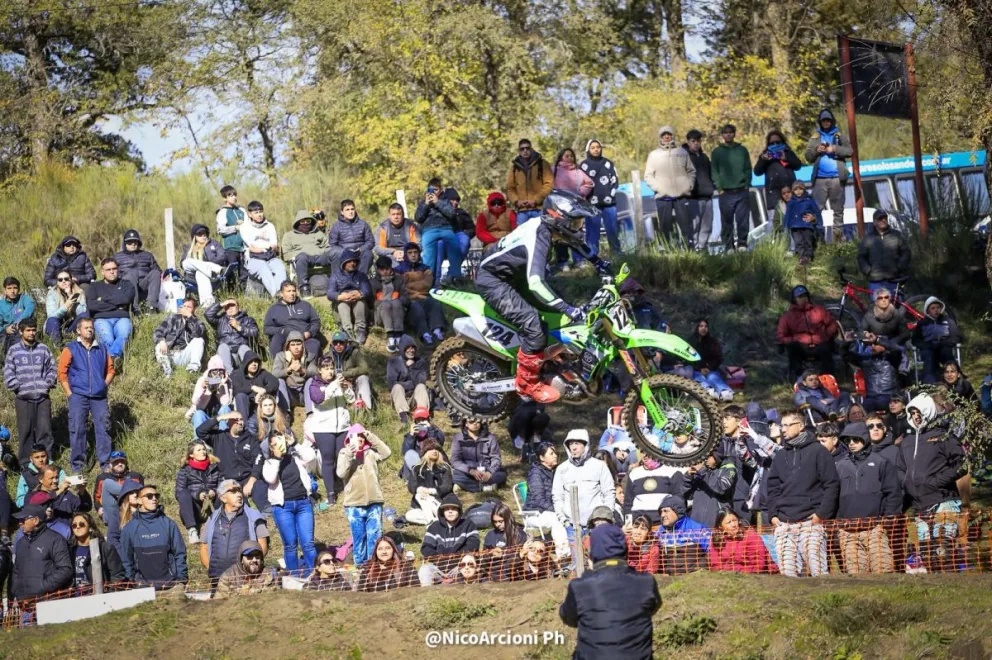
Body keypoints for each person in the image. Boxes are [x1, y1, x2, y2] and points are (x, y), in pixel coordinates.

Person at [475, 190, 605, 403]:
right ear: (558, 219)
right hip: (493, 281)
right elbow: (535, 282)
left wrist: (599, 262)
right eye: (575, 223)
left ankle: (550, 359)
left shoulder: (549, 227)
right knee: (533, 325)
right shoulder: (540, 235)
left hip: (514, 278)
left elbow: (575, 241)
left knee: (553, 312)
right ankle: (527, 385)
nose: (578, 228)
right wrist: (568, 308)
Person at [560, 523, 661, 660]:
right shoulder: (646, 582)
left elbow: (568, 618)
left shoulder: (580, 587)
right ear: (624, 547)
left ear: (594, 551)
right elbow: (654, 607)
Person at [896, 393, 967, 572]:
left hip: (944, 499)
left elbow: (962, 464)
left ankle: (952, 582)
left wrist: (937, 481)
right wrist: (907, 486)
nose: (916, 416)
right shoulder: (907, 441)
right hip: (919, 504)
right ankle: (934, 585)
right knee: (927, 550)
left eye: (918, 412)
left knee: (943, 546)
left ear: (927, 411)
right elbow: (900, 469)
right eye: (912, 413)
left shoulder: (944, 436)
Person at [765, 409, 839, 577]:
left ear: (800, 426)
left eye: (787, 425)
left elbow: (831, 484)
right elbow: (772, 488)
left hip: (810, 523)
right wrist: (773, 515)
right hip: (784, 525)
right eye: (781, 425)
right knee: (788, 577)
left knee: (819, 574)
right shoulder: (781, 455)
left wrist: (821, 514)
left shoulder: (818, 451)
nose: (783, 429)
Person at [835, 423, 900, 574]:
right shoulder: (840, 466)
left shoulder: (881, 462)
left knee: (883, 572)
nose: (851, 443)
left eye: (855, 439)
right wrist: (838, 522)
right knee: (856, 576)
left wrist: (887, 521)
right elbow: (833, 495)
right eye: (848, 440)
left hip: (876, 528)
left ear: (864, 439)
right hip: (848, 531)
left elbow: (893, 493)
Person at [57, 317, 114, 473]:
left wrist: (103, 385)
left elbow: (110, 370)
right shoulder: (70, 348)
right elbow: (62, 373)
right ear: (78, 330)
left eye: (91, 327)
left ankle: (105, 462)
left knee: (103, 427)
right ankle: (78, 465)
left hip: (99, 396)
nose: (90, 330)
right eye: (86, 327)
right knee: (77, 428)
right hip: (78, 395)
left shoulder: (101, 349)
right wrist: (69, 393)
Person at [336, 424, 390, 566]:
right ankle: (360, 566)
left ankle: (374, 565)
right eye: (355, 436)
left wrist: (371, 437)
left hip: (374, 501)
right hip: (354, 504)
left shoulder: (371, 453)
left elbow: (386, 453)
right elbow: (341, 473)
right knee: (359, 537)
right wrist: (349, 454)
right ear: (348, 439)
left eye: (361, 436)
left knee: (375, 535)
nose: (359, 439)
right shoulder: (344, 453)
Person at [263, 433, 317, 572]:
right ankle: (294, 577)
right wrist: (276, 458)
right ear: (271, 446)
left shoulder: (296, 457)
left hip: (303, 504)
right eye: (276, 443)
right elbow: (270, 478)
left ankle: (315, 575)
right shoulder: (269, 463)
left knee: (308, 543)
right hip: (283, 507)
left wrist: (295, 444)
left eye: (282, 442)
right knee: (290, 544)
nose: (280, 446)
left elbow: (311, 458)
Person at [5, 318, 57, 461]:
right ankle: (25, 465)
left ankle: (47, 464)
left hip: (42, 399)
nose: (31, 333)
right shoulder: (13, 351)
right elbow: (9, 372)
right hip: (23, 399)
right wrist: (18, 387)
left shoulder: (43, 349)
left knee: (45, 432)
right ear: (21, 332)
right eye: (28, 330)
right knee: (26, 433)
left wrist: (46, 384)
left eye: (34, 330)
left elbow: (52, 368)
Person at [306, 354, 355, 506]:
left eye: (332, 368)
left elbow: (351, 400)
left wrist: (346, 389)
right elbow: (319, 399)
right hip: (323, 429)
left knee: (343, 458)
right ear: (319, 370)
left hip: (342, 427)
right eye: (326, 368)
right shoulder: (314, 385)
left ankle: (348, 489)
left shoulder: (339, 383)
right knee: (328, 460)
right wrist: (334, 385)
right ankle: (331, 494)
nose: (330, 371)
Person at [195, 411, 268, 513]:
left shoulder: (250, 438)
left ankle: (267, 513)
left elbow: (259, 459)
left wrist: (252, 480)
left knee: (260, 486)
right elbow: (200, 431)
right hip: (227, 480)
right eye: (236, 420)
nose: (240, 422)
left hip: (247, 478)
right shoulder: (219, 437)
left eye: (241, 420)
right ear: (229, 422)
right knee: (226, 505)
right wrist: (221, 417)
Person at [200, 479, 269, 585]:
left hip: (244, 577)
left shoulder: (255, 517)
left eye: (239, 490)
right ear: (223, 498)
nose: (239, 494)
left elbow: (262, 546)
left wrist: (251, 567)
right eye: (233, 491)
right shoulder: (212, 519)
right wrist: (210, 567)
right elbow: (204, 547)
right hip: (217, 577)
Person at [120, 484, 187, 590]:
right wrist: (131, 582)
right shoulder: (129, 528)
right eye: (149, 496)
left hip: (170, 586)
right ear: (139, 501)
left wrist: (181, 579)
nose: (154, 499)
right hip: (142, 588)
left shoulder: (169, 524)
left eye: (156, 496)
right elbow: (126, 560)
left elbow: (180, 553)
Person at [552, 430, 615, 536]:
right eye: (571, 444)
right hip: (572, 527)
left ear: (585, 445)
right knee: (574, 553)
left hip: (597, 526)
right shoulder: (562, 469)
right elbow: (557, 497)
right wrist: (565, 522)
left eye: (577, 443)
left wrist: (605, 518)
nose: (573, 447)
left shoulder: (599, 466)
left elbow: (609, 493)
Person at [11, 504, 72, 612]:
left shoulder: (55, 539)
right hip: (24, 606)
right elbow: (16, 570)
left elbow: (65, 569)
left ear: (35, 520)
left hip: (47, 605)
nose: (20, 523)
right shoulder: (20, 543)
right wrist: (17, 590)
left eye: (23, 519)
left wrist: (42, 587)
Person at [805, 109, 854, 241]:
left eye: (828, 120)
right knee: (815, 210)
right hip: (820, 180)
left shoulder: (840, 135)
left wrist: (835, 149)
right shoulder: (815, 138)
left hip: (837, 179)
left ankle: (837, 244)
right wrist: (816, 150)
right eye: (823, 120)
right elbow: (808, 157)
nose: (826, 122)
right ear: (820, 122)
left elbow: (850, 151)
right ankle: (818, 242)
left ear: (832, 121)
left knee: (838, 212)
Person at [643, 125, 695, 247]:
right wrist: (660, 188)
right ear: (660, 138)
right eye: (664, 135)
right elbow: (648, 176)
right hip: (663, 197)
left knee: (685, 226)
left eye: (669, 134)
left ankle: (689, 251)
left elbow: (691, 171)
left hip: (681, 196)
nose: (666, 137)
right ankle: (666, 251)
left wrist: (688, 185)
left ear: (672, 136)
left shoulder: (682, 152)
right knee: (665, 227)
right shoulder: (654, 155)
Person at [776, 285, 838, 379]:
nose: (803, 299)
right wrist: (794, 339)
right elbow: (781, 336)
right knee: (793, 347)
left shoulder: (819, 310)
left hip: (820, 343)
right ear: (794, 299)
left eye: (805, 296)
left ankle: (828, 379)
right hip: (801, 346)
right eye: (800, 297)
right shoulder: (787, 316)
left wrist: (826, 335)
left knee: (826, 349)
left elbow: (832, 324)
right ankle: (798, 377)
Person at [522, 441, 570, 561]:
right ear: (542, 457)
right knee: (558, 520)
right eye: (551, 453)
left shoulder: (554, 471)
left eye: (555, 452)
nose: (555, 455)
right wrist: (558, 510)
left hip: (548, 510)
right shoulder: (535, 473)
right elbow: (539, 500)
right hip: (535, 512)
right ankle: (564, 556)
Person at [418, 493, 480, 586]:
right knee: (424, 570)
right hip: (438, 567)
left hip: (459, 565)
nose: (450, 511)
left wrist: (457, 558)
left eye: (454, 509)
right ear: (442, 511)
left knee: (468, 566)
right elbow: (426, 548)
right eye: (447, 509)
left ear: (459, 511)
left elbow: (473, 544)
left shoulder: (468, 525)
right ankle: (427, 594)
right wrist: (440, 558)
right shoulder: (434, 527)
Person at [710, 124, 753, 252]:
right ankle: (728, 246)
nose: (728, 134)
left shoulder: (742, 150)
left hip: (741, 190)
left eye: (730, 132)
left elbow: (748, 168)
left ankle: (742, 244)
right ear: (722, 135)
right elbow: (714, 171)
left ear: (734, 134)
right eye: (725, 132)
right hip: (725, 192)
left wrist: (747, 184)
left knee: (743, 220)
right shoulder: (717, 152)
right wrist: (719, 188)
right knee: (727, 221)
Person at [414, 179, 464, 286]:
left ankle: (455, 277)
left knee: (455, 250)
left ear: (440, 190)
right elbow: (418, 218)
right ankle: (427, 282)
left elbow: (451, 214)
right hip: (429, 230)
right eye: (430, 189)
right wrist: (426, 204)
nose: (433, 192)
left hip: (445, 228)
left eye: (435, 190)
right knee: (428, 256)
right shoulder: (423, 202)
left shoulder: (446, 201)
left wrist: (437, 202)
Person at [394, 242, 445, 345]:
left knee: (434, 303)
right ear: (405, 255)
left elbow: (427, 284)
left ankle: (437, 330)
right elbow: (401, 287)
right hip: (410, 299)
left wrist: (409, 282)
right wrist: (415, 291)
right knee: (416, 307)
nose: (413, 255)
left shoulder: (425, 268)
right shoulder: (398, 270)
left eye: (415, 252)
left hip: (424, 296)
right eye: (410, 253)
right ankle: (425, 334)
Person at [551, 148, 595, 267]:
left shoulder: (578, 172)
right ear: (561, 157)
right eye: (566, 156)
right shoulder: (554, 170)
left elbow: (590, 183)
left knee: (576, 235)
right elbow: (546, 184)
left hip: (576, 208)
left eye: (571, 156)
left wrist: (580, 191)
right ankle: (563, 261)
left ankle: (579, 260)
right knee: (560, 235)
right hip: (558, 208)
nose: (569, 158)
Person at [88, 258, 136, 360]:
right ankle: (113, 360)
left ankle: (110, 359)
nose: (112, 271)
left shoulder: (126, 284)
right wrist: (117, 304)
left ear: (118, 269)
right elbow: (91, 305)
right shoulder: (94, 286)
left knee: (123, 335)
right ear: (102, 272)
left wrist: (102, 300)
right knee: (107, 339)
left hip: (122, 318)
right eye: (108, 269)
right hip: (101, 319)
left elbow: (126, 299)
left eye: (114, 268)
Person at [579, 138, 621, 254]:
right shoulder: (583, 166)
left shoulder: (608, 163)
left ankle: (617, 254)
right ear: (588, 150)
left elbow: (615, 180)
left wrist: (610, 195)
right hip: (591, 206)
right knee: (592, 233)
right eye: (593, 148)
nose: (596, 150)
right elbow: (580, 184)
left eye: (598, 147)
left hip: (609, 204)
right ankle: (593, 257)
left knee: (612, 230)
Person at [175, 440, 220, 545]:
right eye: (198, 450)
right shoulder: (185, 471)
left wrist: (214, 491)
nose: (203, 452)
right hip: (194, 509)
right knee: (183, 493)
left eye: (203, 449)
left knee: (224, 492)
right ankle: (192, 530)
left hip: (212, 505)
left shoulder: (215, 467)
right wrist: (197, 495)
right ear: (191, 454)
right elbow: (178, 492)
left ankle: (218, 524)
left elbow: (222, 485)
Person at [857, 210, 912, 296]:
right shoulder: (868, 238)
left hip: (894, 279)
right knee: (876, 307)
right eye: (880, 218)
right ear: (875, 222)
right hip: (875, 281)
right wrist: (868, 270)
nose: (883, 220)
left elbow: (906, 252)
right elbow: (861, 257)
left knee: (897, 307)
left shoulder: (896, 235)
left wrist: (900, 267)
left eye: (885, 218)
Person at [263, 280, 321, 358]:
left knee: (314, 344)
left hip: (304, 337)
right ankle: (278, 367)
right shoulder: (273, 309)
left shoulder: (305, 305)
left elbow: (316, 322)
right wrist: (281, 331)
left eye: (293, 291)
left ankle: (309, 368)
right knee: (276, 340)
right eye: (288, 291)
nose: (292, 294)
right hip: (284, 338)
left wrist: (310, 333)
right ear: (281, 294)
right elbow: (267, 328)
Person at [684, 445, 738, 528]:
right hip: (697, 523)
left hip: (717, 523)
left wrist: (704, 470)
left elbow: (722, 488)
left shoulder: (728, 468)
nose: (704, 459)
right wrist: (688, 477)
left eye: (707, 455)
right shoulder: (700, 469)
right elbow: (687, 495)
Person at [622, 455, 685, 525]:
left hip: (663, 525)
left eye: (647, 451)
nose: (645, 455)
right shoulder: (634, 474)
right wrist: (628, 525)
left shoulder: (672, 472)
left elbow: (679, 500)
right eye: (642, 451)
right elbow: (628, 503)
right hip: (639, 526)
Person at [69, 512, 125, 590]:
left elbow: (117, 575)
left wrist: (108, 592)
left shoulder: (105, 548)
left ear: (90, 528)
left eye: (81, 524)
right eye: (74, 525)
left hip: (100, 595)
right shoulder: (69, 551)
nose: (77, 527)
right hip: (75, 597)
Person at [240, 200, 286, 296]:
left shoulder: (270, 226)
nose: (259, 214)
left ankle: (280, 293)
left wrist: (262, 248)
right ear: (249, 214)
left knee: (280, 267)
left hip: (270, 257)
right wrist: (266, 246)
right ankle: (277, 295)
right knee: (263, 269)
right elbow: (252, 247)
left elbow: (274, 245)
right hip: (253, 259)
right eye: (256, 212)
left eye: (261, 211)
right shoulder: (244, 227)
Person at [327, 249, 373, 344]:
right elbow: (330, 293)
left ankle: (360, 330)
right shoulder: (335, 275)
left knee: (360, 302)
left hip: (358, 303)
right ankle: (347, 331)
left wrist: (360, 294)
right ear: (343, 262)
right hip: (342, 304)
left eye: (355, 261)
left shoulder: (361, 275)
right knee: (342, 304)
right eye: (349, 261)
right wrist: (340, 297)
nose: (352, 264)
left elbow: (367, 290)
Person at [403, 438, 453, 526]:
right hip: (422, 504)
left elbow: (447, 486)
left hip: (440, 502)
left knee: (422, 496)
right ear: (425, 452)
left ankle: (431, 522)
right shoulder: (417, 468)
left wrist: (430, 491)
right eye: (430, 449)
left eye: (436, 449)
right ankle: (434, 520)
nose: (434, 451)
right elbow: (412, 487)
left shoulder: (445, 468)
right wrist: (420, 489)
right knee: (409, 515)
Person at [846, 332, 901, 413]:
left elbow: (896, 349)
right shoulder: (865, 360)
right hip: (871, 397)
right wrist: (847, 343)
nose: (872, 347)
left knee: (885, 403)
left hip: (889, 395)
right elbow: (847, 356)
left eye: (875, 344)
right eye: (870, 345)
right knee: (861, 409)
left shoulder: (892, 358)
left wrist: (878, 340)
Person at [708, 509, 776, 574]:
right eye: (729, 522)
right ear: (720, 526)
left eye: (735, 520)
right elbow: (715, 566)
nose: (733, 525)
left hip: (759, 576)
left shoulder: (750, 535)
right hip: (728, 577)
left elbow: (758, 566)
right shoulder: (717, 538)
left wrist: (731, 570)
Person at [655, 496, 711, 574]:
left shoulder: (697, 529)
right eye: (661, 512)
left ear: (677, 511)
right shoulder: (660, 532)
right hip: (669, 579)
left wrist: (700, 569)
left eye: (666, 511)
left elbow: (712, 552)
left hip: (694, 577)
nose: (662, 515)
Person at [152, 297, 206, 377]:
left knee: (199, 340)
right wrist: (161, 341)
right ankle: (167, 373)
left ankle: (192, 371)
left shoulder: (196, 322)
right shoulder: (173, 318)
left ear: (194, 309)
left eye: (189, 307)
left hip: (185, 355)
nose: (186, 309)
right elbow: (158, 332)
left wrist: (189, 317)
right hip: (171, 354)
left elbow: (198, 333)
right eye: (184, 306)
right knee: (159, 345)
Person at [282, 210, 331, 297]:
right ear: (297, 222)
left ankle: (340, 282)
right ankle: (304, 288)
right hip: (304, 260)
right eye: (302, 221)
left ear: (312, 221)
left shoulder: (318, 233)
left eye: (308, 221)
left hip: (320, 257)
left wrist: (319, 252)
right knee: (302, 256)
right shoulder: (289, 236)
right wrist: (301, 253)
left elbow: (327, 248)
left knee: (336, 253)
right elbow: (286, 254)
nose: (305, 223)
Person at [912, 297, 961, 384]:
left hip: (944, 346)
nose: (936, 310)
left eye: (938, 307)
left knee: (947, 354)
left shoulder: (947, 320)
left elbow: (955, 336)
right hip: (928, 347)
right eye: (933, 308)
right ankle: (931, 385)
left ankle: (954, 382)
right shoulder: (922, 323)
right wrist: (926, 345)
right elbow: (915, 340)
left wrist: (945, 343)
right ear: (928, 310)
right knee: (929, 358)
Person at [450, 419, 507, 493]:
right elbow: (455, 461)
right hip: (468, 472)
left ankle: (465, 486)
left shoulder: (490, 437)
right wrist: (470, 471)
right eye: (471, 421)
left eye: (478, 422)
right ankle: (486, 487)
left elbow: (496, 458)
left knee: (502, 474)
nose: (475, 424)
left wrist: (490, 472)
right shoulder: (458, 438)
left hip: (486, 470)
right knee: (454, 474)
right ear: (466, 424)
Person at [753, 129, 803, 213]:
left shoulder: (788, 152)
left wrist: (786, 158)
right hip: (774, 195)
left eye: (777, 142)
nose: (775, 145)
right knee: (777, 222)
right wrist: (764, 160)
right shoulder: (764, 155)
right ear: (768, 144)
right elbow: (757, 172)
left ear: (782, 142)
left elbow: (798, 166)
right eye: (772, 143)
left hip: (790, 192)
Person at [506, 138, 554, 224]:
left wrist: (536, 199)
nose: (525, 151)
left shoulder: (542, 164)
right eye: (522, 149)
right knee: (521, 236)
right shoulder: (514, 168)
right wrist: (517, 201)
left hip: (539, 209)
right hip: (522, 211)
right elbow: (510, 188)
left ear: (531, 149)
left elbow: (549, 184)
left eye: (527, 148)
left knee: (540, 235)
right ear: (519, 151)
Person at [204, 299, 259, 374]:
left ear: (239, 308)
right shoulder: (220, 320)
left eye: (232, 305)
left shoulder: (247, 320)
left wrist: (239, 327)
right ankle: (231, 374)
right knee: (222, 346)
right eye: (227, 306)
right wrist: (221, 304)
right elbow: (207, 314)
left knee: (243, 348)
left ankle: (251, 375)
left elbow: (255, 332)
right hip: (225, 356)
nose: (230, 308)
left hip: (240, 356)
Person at [180, 224, 230, 307]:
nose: (203, 236)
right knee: (187, 261)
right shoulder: (188, 247)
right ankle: (211, 268)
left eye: (204, 233)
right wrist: (208, 265)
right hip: (192, 274)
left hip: (209, 275)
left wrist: (210, 263)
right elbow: (182, 263)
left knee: (200, 273)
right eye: (199, 234)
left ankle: (208, 303)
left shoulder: (214, 244)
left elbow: (223, 256)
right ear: (194, 236)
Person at [114, 229, 162, 312]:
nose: (133, 244)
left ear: (139, 243)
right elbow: (113, 273)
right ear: (125, 244)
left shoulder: (147, 255)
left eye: (135, 242)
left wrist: (166, 275)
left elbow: (158, 271)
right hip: (127, 285)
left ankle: (151, 307)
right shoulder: (117, 257)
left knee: (155, 273)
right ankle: (135, 308)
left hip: (143, 285)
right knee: (132, 273)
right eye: (130, 242)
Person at [684, 129, 715, 251]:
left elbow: (711, 174)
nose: (696, 143)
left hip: (707, 197)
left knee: (707, 227)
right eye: (693, 141)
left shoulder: (704, 157)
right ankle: (694, 250)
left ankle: (703, 250)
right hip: (693, 198)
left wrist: (713, 187)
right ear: (688, 142)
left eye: (698, 141)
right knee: (694, 227)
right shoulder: (684, 158)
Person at [688, 318, 734, 401]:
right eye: (701, 326)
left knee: (713, 377)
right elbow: (687, 358)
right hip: (696, 370)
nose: (703, 328)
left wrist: (709, 368)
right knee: (698, 377)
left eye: (705, 326)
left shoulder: (712, 342)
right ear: (697, 327)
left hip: (710, 369)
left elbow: (718, 357)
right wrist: (699, 368)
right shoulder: (690, 342)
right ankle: (708, 391)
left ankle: (724, 391)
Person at [327, 331, 373, 410]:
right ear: (332, 344)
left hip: (353, 384)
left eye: (341, 342)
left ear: (346, 343)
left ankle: (367, 410)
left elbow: (365, 368)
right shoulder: (328, 356)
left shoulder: (354, 352)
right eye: (335, 342)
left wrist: (345, 375)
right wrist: (338, 381)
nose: (338, 345)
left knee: (364, 378)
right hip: (337, 386)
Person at [387, 335, 430, 423]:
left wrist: (413, 367)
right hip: (399, 399)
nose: (411, 350)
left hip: (415, 398)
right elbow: (391, 384)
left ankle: (422, 418)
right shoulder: (393, 362)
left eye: (413, 348)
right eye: (408, 348)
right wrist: (411, 384)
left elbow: (422, 381)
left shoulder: (420, 362)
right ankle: (404, 418)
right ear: (403, 349)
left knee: (421, 386)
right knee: (397, 387)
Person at [370, 256, 407, 353]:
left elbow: (406, 297)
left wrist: (398, 300)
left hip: (397, 312)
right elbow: (370, 302)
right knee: (386, 304)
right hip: (381, 314)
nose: (385, 271)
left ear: (391, 268)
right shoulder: (373, 283)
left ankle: (398, 336)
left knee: (396, 302)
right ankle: (391, 337)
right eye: (382, 269)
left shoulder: (399, 280)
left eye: (387, 268)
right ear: (377, 270)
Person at [272, 331, 318, 409]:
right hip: (288, 394)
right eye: (293, 345)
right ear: (288, 346)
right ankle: (286, 413)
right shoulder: (280, 356)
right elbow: (274, 373)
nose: (296, 347)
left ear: (303, 345)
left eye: (298, 344)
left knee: (311, 380)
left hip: (304, 394)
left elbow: (315, 372)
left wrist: (302, 371)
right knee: (279, 381)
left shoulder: (309, 356)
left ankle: (310, 412)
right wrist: (289, 369)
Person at [328, 199, 374, 274]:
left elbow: (370, 241)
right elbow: (332, 244)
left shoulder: (363, 224)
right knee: (335, 253)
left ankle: (360, 279)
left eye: (352, 209)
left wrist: (361, 249)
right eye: (347, 210)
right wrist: (344, 251)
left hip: (359, 253)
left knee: (368, 254)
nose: (350, 212)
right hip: (343, 254)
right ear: (342, 212)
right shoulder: (336, 226)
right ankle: (338, 280)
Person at [231, 350, 280, 419]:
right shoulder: (237, 374)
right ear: (246, 363)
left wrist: (263, 391)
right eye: (251, 362)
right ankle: (243, 426)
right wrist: (252, 388)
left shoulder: (262, 373)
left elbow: (275, 382)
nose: (254, 364)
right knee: (240, 395)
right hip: (244, 406)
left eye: (256, 362)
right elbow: (236, 390)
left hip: (261, 405)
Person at [44, 269, 87, 345]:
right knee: (52, 320)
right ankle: (58, 346)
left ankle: (70, 335)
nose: (63, 281)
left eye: (66, 279)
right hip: (56, 325)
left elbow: (83, 312)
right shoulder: (52, 293)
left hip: (72, 325)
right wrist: (66, 306)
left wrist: (71, 296)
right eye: (60, 280)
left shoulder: (79, 292)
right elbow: (51, 315)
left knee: (85, 316)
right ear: (57, 282)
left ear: (71, 280)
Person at [215, 185, 248, 286]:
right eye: (230, 195)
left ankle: (245, 295)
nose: (233, 197)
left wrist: (244, 224)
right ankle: (232, 295)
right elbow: (220, 230)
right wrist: (235, 227)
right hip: (231, 247)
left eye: (234, 195)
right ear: (225, 198)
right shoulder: (222, 212)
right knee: (233, 273)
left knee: (245, 272)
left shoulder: (242, 211)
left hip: (245, 247)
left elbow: (250, 226)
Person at [784, 180, 822, 265]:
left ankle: (807, 257)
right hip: (795, 227)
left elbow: (817, 212)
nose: (798, 191)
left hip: (806, 225)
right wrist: (786, 226)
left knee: (808, 242)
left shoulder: (809, 200)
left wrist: (819, 223)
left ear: (804, 189)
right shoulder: (791, 202)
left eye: (800, 189)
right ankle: (801, 257)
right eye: (796, 189)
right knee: (799, 242)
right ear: (793, 191)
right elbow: (788, 215)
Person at [401, 407, 447, 476]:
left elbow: (437, 446)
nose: (421, 423)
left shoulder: (436, 432)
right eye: (418, 420)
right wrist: (411, 435)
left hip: (433, 462)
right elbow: (406, 453)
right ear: (415, 422)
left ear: (428, 420)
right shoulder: (411, 435)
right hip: (418, 463)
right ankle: (413, 479)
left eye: (423, 420)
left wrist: (430, 430)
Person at [1, 277, 35, 354]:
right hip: (5, 332)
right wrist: (6, 329)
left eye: (15, 288)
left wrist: (18, 322)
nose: (12, 291)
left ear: (19, 289)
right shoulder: (1, 305)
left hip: (20, 329)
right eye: (9, 288)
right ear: (5, 290)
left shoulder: (24, 298)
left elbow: (30, 307)